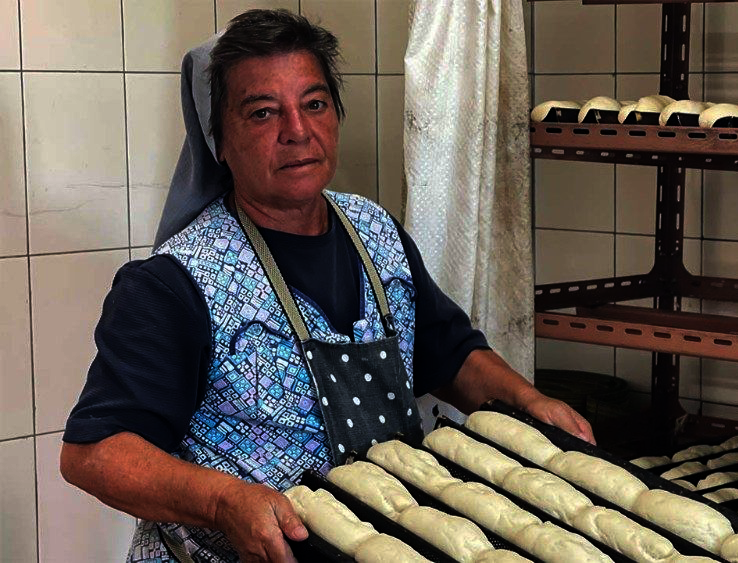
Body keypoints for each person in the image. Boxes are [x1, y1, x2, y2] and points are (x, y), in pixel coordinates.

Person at [59, 9, 593, 563]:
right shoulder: (175, 283)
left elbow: (450, 354)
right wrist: (224, 502)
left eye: (313, 104)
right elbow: (94, 453)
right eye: (263, 113)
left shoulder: (375, 232)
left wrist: (529, 402)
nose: (297, 130)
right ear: (220, 142)